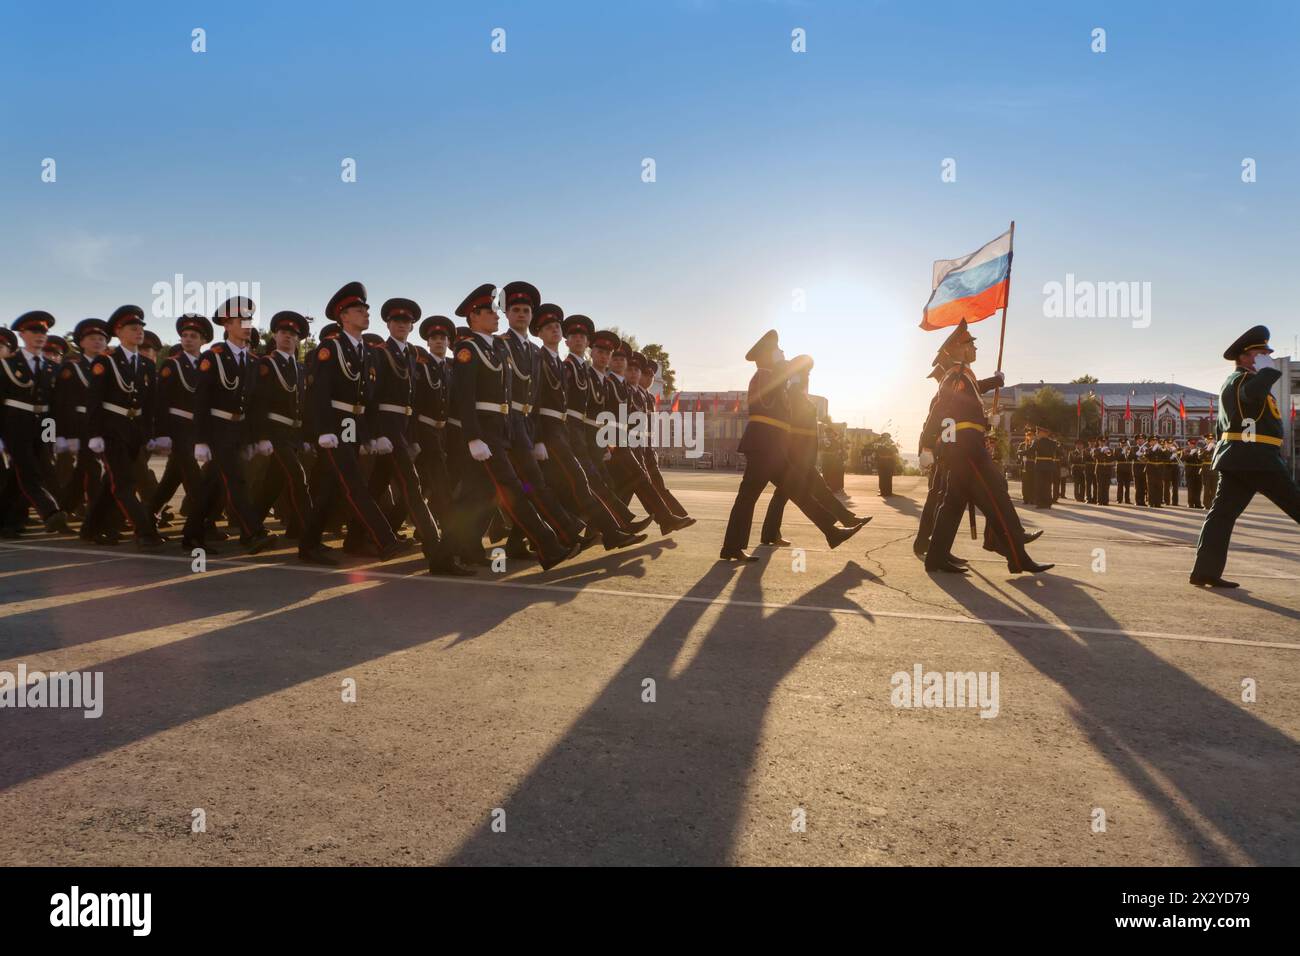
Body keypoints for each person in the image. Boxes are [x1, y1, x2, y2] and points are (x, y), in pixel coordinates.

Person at [442, 283, 579, 571]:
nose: (497, 316)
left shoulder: (495, 350)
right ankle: (549, 545)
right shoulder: (468, 349)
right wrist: (473, 437)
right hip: (485, 435)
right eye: (491, 312)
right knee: (513, 488)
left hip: (501, 433)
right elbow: (464, 397)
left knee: (474, 496)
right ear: (474, 316)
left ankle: (446, 555)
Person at [720, 329, 865, 562]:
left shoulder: (774, 377)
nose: (782, 353)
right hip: (762, 446)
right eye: (778, 350)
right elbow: (768, 404)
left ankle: (832, 532)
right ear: (767, 355)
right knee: (748, 498)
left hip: (773, 448)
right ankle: (732, 547)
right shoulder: (763, 376)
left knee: (798, 491)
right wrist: (783, 370)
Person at [922, 320, 1052, 575]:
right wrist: (927, 445)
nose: (975, 348)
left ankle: (936, 557)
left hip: (964, 448)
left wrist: (994, 387)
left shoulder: (963, 375)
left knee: (953, 504)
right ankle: (1017, 551)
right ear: (960, 347)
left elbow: (970, 396)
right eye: (971, 343)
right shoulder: (956, 374)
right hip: (967, 449)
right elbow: (941, 408)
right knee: (997, 495)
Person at [299, 282, 406, 565]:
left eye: (365, 309)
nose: (365, 313)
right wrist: (323, 430)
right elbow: (318, 393)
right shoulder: (330, 348)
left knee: (332, 488)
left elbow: (369, 400)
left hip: (354, 422)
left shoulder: (368, 352)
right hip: (335, 422)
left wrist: (372, 434)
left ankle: (308, 544)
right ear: (343, 316)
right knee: (354, 483)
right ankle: (386, 540)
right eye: (359, 310)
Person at [1190, 326, 1300, 587]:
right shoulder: (1244, 381)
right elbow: (1250, 399)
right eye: (1259, 353)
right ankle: (1205, 571)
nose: (1265, 357)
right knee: (1296, 503)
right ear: (1243, 357)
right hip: (1257, 458)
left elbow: (1222, 426)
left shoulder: (1245, 380)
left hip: (1241, 458)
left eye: (1266, 353)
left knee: (1222, 515)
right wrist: (1269, 371)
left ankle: (1205, 571)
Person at [530, 304, 645, 552]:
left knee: (566, 485)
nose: (579, 339)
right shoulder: (558, 364)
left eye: (583, 336)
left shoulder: (572, 367)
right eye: (574, 335)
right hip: (557, 429)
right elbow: (537, 400)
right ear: (567, 340)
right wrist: (538, 438)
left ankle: (607, 528)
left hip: (571, 430)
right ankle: (611, 529)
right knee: (574, 483)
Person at [180, 298, 275, 555]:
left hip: (240, 431)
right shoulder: (214, 357)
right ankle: (252, 533)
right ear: (227, 325)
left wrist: (260, 437)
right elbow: (201, 400)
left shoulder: (253, 360)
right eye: (242, 322)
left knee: (214, 485)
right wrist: (200, 440)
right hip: (218, 429)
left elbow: (256, 405)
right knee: (236, 481)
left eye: (250, 321)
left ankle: (191, 534)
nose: (248, 326)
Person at [80, 306, 166, 548]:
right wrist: (95, 434)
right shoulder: (105, 361)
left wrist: (149, 434)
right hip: (111, 429)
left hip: (134, 430)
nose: (139, 331)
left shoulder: (146, 365)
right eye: (132, 327)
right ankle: (145, 530)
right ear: (118, 331)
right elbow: (93, 400)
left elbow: (150, 405)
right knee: (124, 483)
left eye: (141, 327)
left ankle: (90, 528)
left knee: (112, 483)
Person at [761, 354, 868, 545]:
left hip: (801, 454)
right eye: (807, 372)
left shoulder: (797, 393)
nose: (808, 377)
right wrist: (800, 453)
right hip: (797, 455)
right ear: (800, 374)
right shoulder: (794, 393)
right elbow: (795, 428)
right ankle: (837, 526)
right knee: (803, 493)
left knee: (791, 493)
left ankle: (771, 534)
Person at [0, 311, 71, 536]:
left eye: (44, 332)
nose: (41, 335)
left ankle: (9, 522)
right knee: (29, 471)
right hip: (15, 423)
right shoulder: (7, 365)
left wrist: (53, 437)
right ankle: (50, 511)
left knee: (26, 473)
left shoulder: (51, 368)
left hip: (43, 424)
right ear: (22, 334)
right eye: (35, 331)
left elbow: (55, 405)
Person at [54, 318, 110, 517]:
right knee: (93, 470)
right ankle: (96, 515)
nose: (97, 342)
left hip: (103, 424)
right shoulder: (72, 368)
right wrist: (64, 435)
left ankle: (64, 509)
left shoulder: (109, 366)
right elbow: (62, 404)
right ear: (82, 342)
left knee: (82, 472)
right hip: (79, 425)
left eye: (101, 339)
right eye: (92, 338)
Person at [1095, 439, 1115, 505]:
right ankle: (1099, 501)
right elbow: (1095, 457)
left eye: (1104, 442)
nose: (1102, 443)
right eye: (1101, 441)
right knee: (1100, 486)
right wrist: (1102, 451)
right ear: (1099, 442)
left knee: (1106, 486)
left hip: (1107, 470)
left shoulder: (1110, 450)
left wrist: (1107, 452)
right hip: (1099, 469)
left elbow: (1112, 458)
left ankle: (1106, 501)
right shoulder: (1096, 450)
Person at [1116, 439, 1134, 504]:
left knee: (1127, 486)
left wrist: (1129, 452)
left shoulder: (1129, 450)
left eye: (1125, 444)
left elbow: (1132, 457)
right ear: (1120, 444)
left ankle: (1127, 500)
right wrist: (1123, 451)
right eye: (1122, 443)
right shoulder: (1117, 450)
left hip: (1127, 470)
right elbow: (1117, 458)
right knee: (1120, 485)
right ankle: (1119, 499)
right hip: (1120, 470)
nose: (1123, 445)